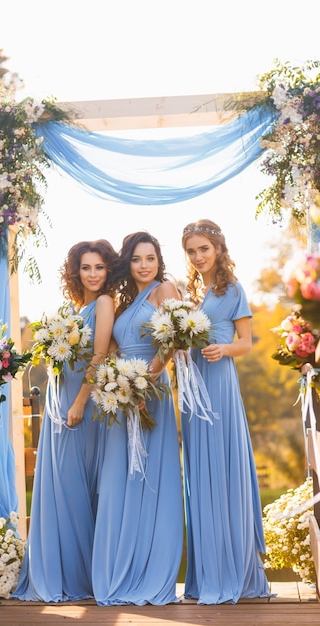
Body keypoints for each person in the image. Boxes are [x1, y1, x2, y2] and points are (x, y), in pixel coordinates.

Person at [13, 239, 119, 602]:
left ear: (108, 271)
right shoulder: (76, 307)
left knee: (75, 487)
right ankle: (58, 571)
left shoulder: (104, 303)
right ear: (76, 271)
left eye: (99, 267)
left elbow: (102, 355)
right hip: (60, 403)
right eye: (86, 267)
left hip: (82, 407)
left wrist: (79, 401)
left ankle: (78, 577)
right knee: (58, 486)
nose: (92, 274)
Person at [180, 218, 271, 605]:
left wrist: (224, 349)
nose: (199, 256)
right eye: (192, 251)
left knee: (223, 466)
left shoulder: (232, 289)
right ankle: (206, 575)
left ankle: (233, 569)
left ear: (218, 247)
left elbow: (247, 342)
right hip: (190, 383)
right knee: (199, 470)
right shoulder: (186, 291)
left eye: (204, 248)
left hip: (218, 380)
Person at [92, 231, 184, 606]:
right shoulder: (125, 301)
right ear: (127, 263)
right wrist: (116, 383)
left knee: (151, 481)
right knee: (117, 481)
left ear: (159, 260)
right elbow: (112, 346)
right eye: (137, 259)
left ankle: (152, 572)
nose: (145, 265)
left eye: (150, 258)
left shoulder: (166, 290)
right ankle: (118, 571)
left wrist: (145, 380)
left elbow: (174, 339)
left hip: (151, 396)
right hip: (121, 396)